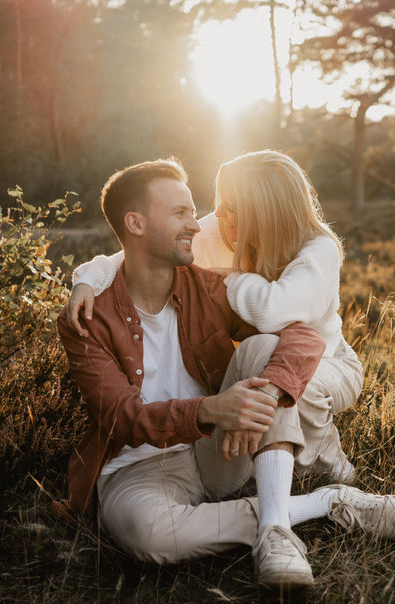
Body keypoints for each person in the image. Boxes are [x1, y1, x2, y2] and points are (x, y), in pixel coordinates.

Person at [54, 158, 395, 587]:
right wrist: (210, 411)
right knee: (145, 533)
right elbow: (121, 419)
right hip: (137, 468)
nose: (197, 224)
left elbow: (303, 336)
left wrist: (267, 393)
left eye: (194, 211)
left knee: (264, 346)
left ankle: (275, 534)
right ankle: (319, 504)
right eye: (181, 213)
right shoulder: (89, 316)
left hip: (216, 454)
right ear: (135, 223)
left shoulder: (214, 287)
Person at [67, 150, 360, 484]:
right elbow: (136, 247)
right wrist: (88, 278)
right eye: (220, 202)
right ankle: (265, 473)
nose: (218, 212)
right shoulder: (222, 227)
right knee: (264, 376)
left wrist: (233, 279)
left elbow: (273, 312)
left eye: (231, 205)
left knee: (290, 386)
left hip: (326, 360)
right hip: (265, 356)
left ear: (263, 211)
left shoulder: (318, 251)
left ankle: (328, 467)